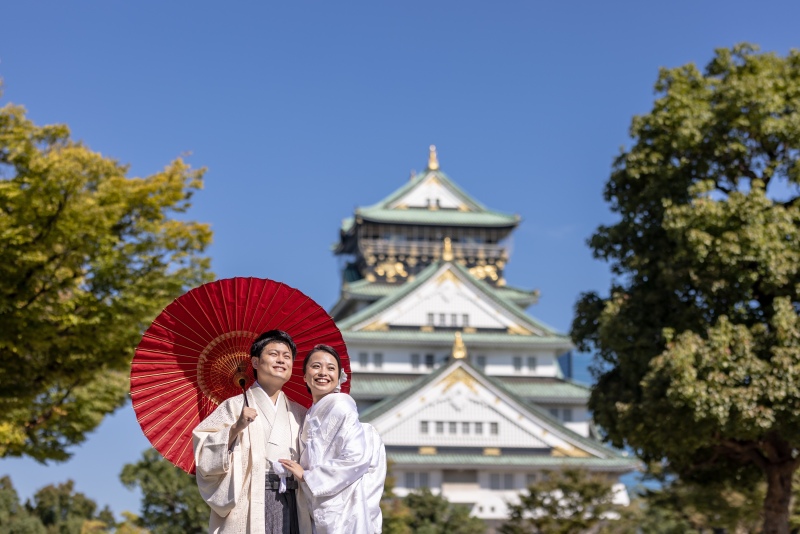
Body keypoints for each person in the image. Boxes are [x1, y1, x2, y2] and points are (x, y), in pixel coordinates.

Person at [192, 330, 312, 534]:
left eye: (287, 356)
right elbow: (204, 453)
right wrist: (235, 428)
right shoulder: (234, 407)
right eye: (273, 354)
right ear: (255, 363)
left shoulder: (300, 413)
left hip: (293, 498)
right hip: (250, 498)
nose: (281, 360)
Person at [279, 344, 386, 534]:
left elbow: (356, 458)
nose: (323, 373)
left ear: (339, 377)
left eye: (331, 368)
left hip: (343, 507)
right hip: (319, 503)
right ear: (304, 376)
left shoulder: (341, 406)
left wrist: (308, 476)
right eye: (316, 366)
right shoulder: (309, 414)